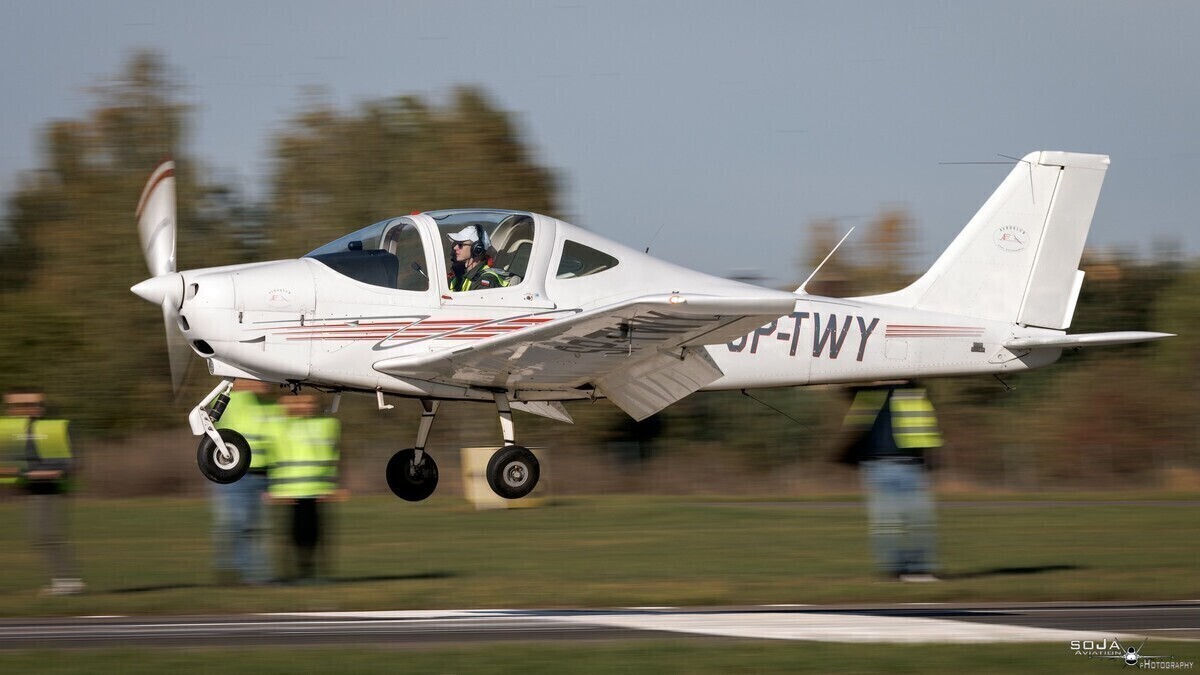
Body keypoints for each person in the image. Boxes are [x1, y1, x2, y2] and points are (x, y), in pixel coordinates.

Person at [839, 383, 943, 582]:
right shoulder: (868, 390)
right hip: (879, 465)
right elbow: (844, 388)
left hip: (911, 464)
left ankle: (920, 569)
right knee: (887, 524)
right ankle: (894, 570)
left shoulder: (913, 388)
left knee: (920, 522)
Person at [0, 390, 85, 596]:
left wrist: (39, 472)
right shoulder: (10, 431)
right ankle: (65, 581)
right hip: (30, 488)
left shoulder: (54, 429)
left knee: (46, 534)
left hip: (49, 489)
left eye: (32, 404)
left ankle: (67, 582)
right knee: (41, 535)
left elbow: (70, 463)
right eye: (17, 406)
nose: (24, 409)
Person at [212, 379, 281, 585]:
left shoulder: (273, 406)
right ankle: (245, 574)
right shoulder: (229, 400)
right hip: (236, 475)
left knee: (258, 527)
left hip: (263, 475)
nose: (264, 384)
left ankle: (251, 573)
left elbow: (278, 442)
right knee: (239, 524)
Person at [269, 395, 344, 583]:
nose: (305, 406)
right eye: (301, 402)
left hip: (316, 489)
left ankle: (313, 573)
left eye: (310, 402)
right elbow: (274, 455)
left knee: (316, 534)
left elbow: (332, 456)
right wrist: (275, 490)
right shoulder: (280, 425)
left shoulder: (327, 425)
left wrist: (330, 487)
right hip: (291, 491)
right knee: (292, 534)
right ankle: (290, 574)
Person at [446, 224, 509, 291]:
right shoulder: (461, 276)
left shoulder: (486, 280)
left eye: (460, 244)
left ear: (476, 248)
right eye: (455, 244)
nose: (455, 248)